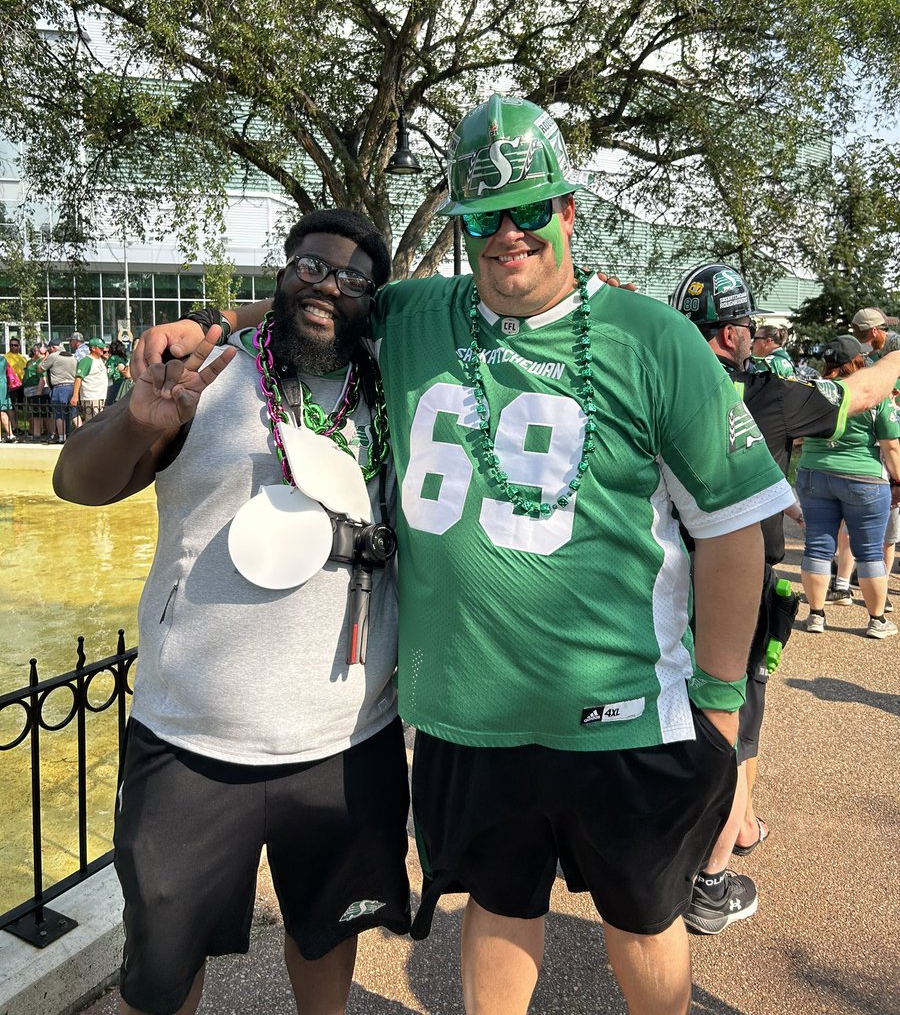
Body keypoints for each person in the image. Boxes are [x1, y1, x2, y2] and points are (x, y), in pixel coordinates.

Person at [139, 95, 796, 1015]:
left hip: (624, 712)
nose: (508, 234)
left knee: (644, 922)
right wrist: (206, 325)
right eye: (485, 217)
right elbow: (317, 295)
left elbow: (731, 530)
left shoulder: (657, 339)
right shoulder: (415, 314)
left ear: (568, 211)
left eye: (529, 210)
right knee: (498, 905)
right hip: (466, 716)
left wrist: (722, 711)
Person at [53, 209, 411, 1015]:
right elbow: (77, 481)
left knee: (327, 933)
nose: (329, 287)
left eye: (355, 279)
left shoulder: (390, 384)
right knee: (164, 963)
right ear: (281, 272)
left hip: (347, 741)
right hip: (191, 742)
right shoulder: (207, 374)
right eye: (312, 267)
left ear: (375, 301)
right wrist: (137, 421)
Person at [670, 263, 900, 932]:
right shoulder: (769, 393)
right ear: (740, 330)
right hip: (735, 587)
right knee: (734, 727)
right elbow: (864, 390)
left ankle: (734, 828)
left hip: (654, 581)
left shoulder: (655, 382)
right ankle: (709, 883)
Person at [797, 334, 900, 639]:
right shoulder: (872, 392)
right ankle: (876, 619)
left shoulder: (811, 391)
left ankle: (816, 615)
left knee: (817, 544)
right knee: (869, 552)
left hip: (814, 473)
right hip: (864, 479)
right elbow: (891, 445)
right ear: (859, 361)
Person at [39, 338, 78, 443]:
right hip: (72, 387)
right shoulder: (72, 356)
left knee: (58, 413)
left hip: (59, 388)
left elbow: (40, 369)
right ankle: (81, 433)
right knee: (74, 413)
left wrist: (46, 357)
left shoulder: (53, 356)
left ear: (53, 348)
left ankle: (62, 437)